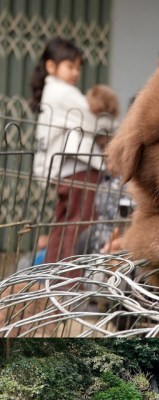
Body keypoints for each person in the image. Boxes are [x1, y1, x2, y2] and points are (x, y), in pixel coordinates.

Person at [30, 37, 114, 267]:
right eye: (70, 66)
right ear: (51, 66)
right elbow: (96, 122)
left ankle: (49, 278)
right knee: (80, 226)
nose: (75, 72)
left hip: (65, 171)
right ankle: (71, 281)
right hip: (79, 169)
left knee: (63, 225)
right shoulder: (63, 92)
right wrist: (112, 122)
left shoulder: (53, 91)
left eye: (78, 67)